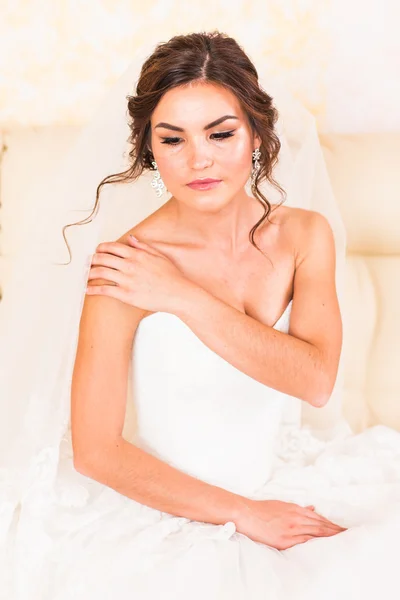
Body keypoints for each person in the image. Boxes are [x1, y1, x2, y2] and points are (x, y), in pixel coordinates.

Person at [2, 31, 400, 599]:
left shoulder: (304, 235)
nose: (199, 159)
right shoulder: (123, 267)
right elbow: (97, 451)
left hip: (281, 476)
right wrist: (245, 515)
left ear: (257, 133)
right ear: (149, 150)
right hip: (166, 509)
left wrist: (182, 296)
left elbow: (314, 381)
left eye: (221, 133)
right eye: (173, 139)